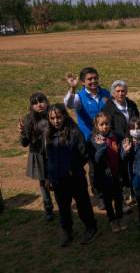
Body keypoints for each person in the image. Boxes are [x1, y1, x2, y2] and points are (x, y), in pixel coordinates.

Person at [44, 103, 98, 247]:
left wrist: (72, 168)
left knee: (83, 204)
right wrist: (49, 177)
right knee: (63, 207)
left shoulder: (74, 132)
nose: (56, 121)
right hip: (58, 179)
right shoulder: (48, 135)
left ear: (64, 116)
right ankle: (67, 231)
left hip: (75, 178)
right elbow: (49, 158)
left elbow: (84, 154)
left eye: (58, 117)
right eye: (52, 118)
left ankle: (91, 227)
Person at [101, 80, 139, 204]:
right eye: (117, 91)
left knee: (133, 167)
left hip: (133, 140)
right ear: (113, 93)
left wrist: (135, 137)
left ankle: (134, 192)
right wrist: (118, 141)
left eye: (123, 91)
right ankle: (124, 195)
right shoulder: (108, 108)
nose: (121, 94)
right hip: (117, 143)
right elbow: (108, 128)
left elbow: (137, 121)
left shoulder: (131, 104)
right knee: (121, 170)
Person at [19, 92, 54, 221]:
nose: (39, 105)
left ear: (46, 101)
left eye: (41, 101)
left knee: (58, 180)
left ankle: (63, 204)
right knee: (43, 182)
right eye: (35, 103)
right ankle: (48, 208)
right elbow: (24, 143)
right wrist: (23, 132)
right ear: (31, 106)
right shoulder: (29, 119)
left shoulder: (53, 115)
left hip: (54, 154)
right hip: (38, 156)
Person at [92, 112, 126, 233]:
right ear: (96, 126)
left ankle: (120, 217)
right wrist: (101, 146)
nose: (104, 126)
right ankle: (112, 220)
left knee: (118, 197)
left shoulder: (116, 136)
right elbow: (96, 159)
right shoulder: (94, 139)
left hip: (116, 173)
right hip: (104, 176)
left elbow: (121, 154)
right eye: (101, 124)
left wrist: (125, 151)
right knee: (107, 199)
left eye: (106, 123)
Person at [64, 67, 111, 141]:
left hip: (106, 137)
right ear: (82, 82)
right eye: (90, 79)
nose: (93, 81)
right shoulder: (79, 96)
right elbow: (68, 104)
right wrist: (73, 88)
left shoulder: (106, 93)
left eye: (95, 78)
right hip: (88, 139)